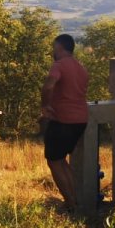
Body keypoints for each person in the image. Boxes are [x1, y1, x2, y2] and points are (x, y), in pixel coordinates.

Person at [40, 33, 89, 212]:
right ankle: (75, 200)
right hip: (81, 120)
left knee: (53, 160)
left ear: (60, 48)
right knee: (61, 160)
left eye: (54, 47)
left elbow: (48, 85)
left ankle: (70, 204)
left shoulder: (59, 65)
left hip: (63, 120)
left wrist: (45, 106)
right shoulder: (80, 68)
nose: (53, 51)